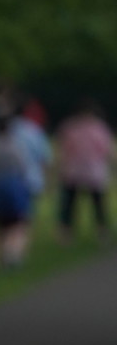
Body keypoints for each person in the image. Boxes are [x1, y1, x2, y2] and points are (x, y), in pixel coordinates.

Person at [55, 102, 114, 243]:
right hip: (93, 171)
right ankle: (101, 232)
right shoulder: (98, 128)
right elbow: (107, 150)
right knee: (97, 204)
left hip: (73, 170)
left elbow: (63, 150)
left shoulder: (70, 127)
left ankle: (66, 234)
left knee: (70, 205)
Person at [0, 109, 33, 266]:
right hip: (14, 184)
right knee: (18, 224)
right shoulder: (16, 145)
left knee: (1, 225)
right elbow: (23, 167)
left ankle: (2, 255)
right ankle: (15, 255)